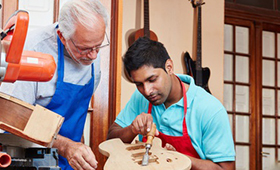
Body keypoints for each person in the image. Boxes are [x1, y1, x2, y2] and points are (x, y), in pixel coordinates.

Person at [0, 0, 109, 169]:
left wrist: (79, 150)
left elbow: (77, 112)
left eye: (98, 46)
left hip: (69, 159)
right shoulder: (35, 47)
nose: (94, 55)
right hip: (29, 158)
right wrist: (65, 146)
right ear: (62, 37)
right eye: (85, 48)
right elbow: (13, 117)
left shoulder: (91, 50)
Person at [107, 37, 235, 170]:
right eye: (139, 84)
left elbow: (225, 168)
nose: (147, 91)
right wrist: (132, 129)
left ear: (169, 67)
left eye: (152, 79)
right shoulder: (141, 97)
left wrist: (178, 159)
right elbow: (111, 138)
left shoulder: (210, 109)